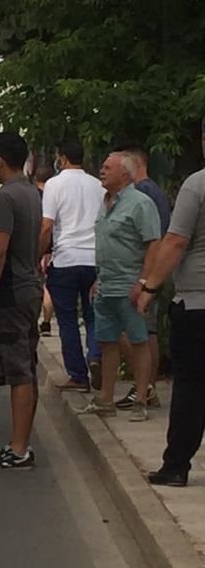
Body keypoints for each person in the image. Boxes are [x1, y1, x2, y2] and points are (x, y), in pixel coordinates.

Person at [137, 128, 205, 486]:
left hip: (197, 301)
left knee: (192, 386)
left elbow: (176, 240)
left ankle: (176, 465)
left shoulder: (197, 185)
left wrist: (150, 286)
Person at [0, 132, 43, 470]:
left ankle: (18, 449)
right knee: (27, 365)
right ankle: (22, 441)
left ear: (1, 159)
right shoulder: (31, 192)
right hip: (30, 286)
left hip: (12, 292)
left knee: (18, 370)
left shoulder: (3, 199)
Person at [80, 153, 161, 420]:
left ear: (124, 174)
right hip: (106, 285)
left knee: (138, 341)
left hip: (130, 286)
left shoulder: (140, 203)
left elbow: (153, 243)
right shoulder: (105, 202)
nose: (101, 171)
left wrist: (143, 282)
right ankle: (105, 399)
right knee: (107, 342)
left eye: (107, 167)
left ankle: (141, 400)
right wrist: (97, 278)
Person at [40, 141, 103, 392]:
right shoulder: (98, 185)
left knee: (66, 319)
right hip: (95, 259)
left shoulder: (55, 184)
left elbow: (47, 225)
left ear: (62, 158)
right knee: (93, 315)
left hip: (66, 258)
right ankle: (96, 354)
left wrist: (40, 252)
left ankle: (78, 375)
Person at [113, 144, 171, 411]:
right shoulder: (152, 192)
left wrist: (145, 280)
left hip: (143, 274)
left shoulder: (143, 193)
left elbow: (153, 240)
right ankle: (146, 387)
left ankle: (144, 387)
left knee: (136, 332)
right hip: (149, 273)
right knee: (146, 331)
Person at [34, 165, 55, 336]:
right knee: (48, 287)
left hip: (38, 246)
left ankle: (37, 320)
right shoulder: (53, 195)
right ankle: (47, 322)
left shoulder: (33, 197)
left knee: (39, 286)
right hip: (53, 248)